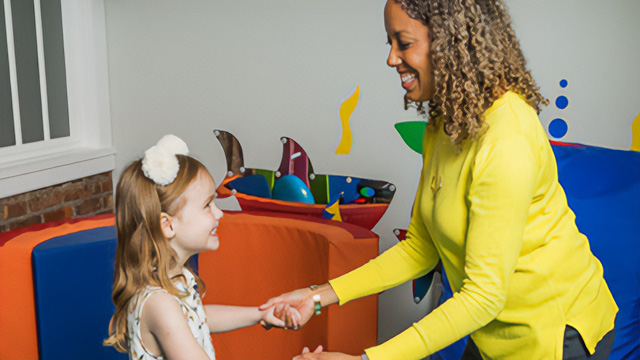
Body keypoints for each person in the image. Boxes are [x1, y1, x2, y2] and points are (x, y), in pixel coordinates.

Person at [262, 0, 619, 359]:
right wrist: (317, 295)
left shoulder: (506, 138)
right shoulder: (444, 122)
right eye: (389, 43)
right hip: (490, 328)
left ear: (449, 42)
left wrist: (367, 359)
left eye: (403, 43)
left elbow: (483, 296)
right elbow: (420, 247)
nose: (391, 58)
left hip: (555, 334)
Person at [103, 135, 296, 360]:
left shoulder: (176, 279)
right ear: (168, 225)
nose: (219, 213)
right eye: (207, 205)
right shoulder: (160, 304)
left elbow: (198, 317)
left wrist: (259, 314)